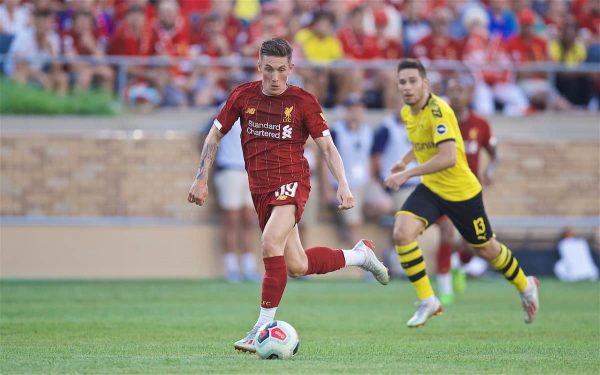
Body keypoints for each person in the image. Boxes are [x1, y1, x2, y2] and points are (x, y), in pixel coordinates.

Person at [187, 39, 389, 353]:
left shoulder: (303, 101)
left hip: (292, 182)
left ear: (291, 69)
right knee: (296, 264)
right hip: (260, 189)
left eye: (282, 70)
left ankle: (260, 328)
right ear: (259, 67)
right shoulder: (242, 95)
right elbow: (214, 134)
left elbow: (327, 147)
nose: (275, 77)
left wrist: (343, 184)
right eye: (269, 69)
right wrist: (201, 179)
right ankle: (360, 256)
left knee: (269, 243)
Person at [384, 58, 539, 328]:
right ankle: (428, 300)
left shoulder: (438, 111)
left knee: (486, 249)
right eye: (402, 82)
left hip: (461, 192)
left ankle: (526, 286)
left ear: (425, 84)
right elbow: (425, 141)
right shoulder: (408, 113)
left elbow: (447, 158)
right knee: (402, 232)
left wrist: (407, 173)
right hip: (433, 189)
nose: (407, 87)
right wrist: (406, 160)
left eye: (412, 81)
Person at [437, 76, 501, 304]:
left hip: (469, 193)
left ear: (470, 94)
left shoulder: (480, 125)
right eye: (451, 89)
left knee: (473, 244)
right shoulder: (439, 122)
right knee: (446, 231)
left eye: (460, 90)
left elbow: (495, 155)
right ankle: (444, 288)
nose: (455, 95)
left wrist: (490, 170)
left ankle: (458, 264)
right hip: (442, 189)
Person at [212, 118, 261, 283]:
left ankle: (248, 267)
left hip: (250, 170)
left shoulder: (257, 108)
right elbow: (209, 137)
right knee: (231, 219)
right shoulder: (224, 110)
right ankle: (231, 267)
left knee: (249, 220)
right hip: (229, 169)